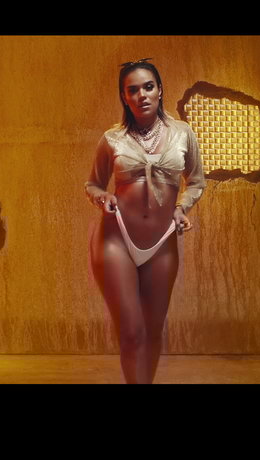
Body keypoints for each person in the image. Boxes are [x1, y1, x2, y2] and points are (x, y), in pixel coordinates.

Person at [84, 58, 206, 384]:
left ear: (160, 90)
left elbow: (196, 181)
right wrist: (103, 197)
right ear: (125, 97)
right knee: (131, 332)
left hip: (162, 241)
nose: (142, 95)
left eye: (148, 87)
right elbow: (93, 184)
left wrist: (182, 208)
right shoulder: (113, 138)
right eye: (133, 90)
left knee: (152, 332)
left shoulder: (182, 133)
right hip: (116, 239)